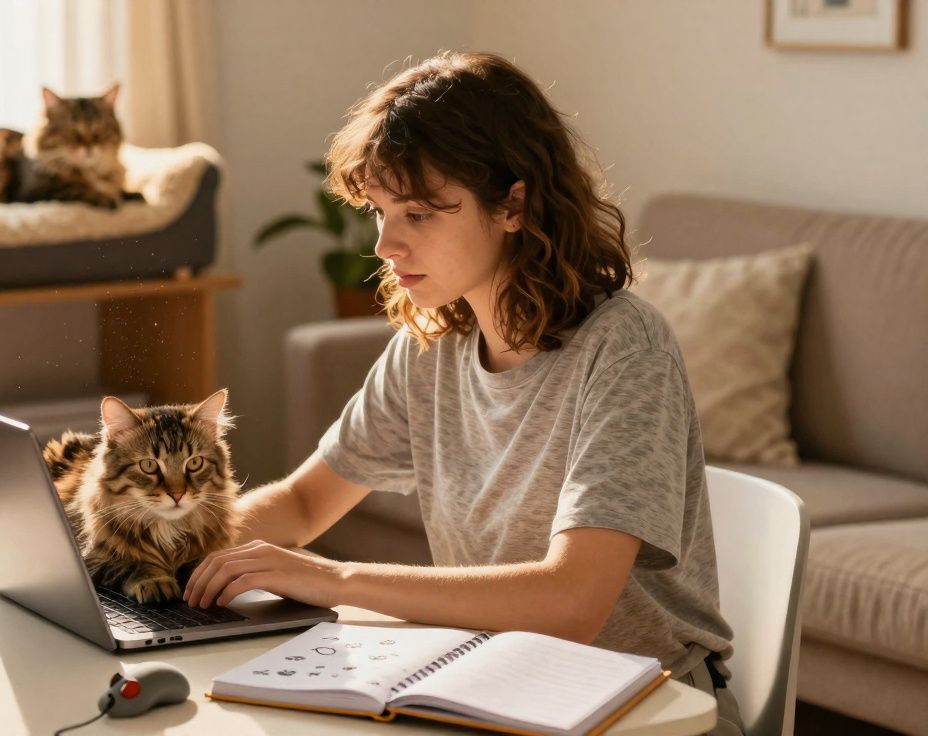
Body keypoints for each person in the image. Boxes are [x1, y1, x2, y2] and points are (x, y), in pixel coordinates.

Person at [182, 51, 742, 734]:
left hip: (642, 705)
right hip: (498, 686)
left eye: (417, 214)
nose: (385, 244)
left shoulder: (623, 347)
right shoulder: (432, 348)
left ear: (514, 203)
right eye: (380, 211)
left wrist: (331, 579)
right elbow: (302, 502)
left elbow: (573, 601)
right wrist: (154, 549)